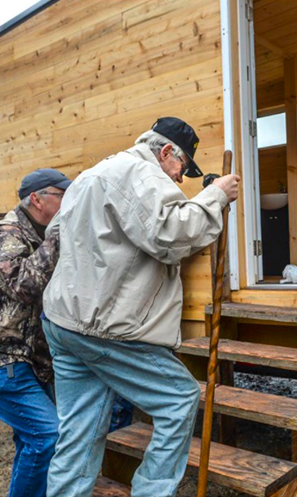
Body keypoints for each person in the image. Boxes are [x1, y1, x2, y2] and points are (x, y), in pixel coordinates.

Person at [42, 116, 240, 497]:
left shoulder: (90, 175)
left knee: (79, 431)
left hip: (64, 319)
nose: (180, 179)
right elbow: (172, 234)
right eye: (182, 167)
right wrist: (215, 194)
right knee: (178, 397)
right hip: (104, 327)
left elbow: (56, 236)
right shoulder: (141, 173)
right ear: (166, 152)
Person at [0, 169, 71, 497]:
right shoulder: (9, 233)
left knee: (32, 441)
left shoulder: (37, 231)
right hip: (6, 362)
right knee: (47, 436)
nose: (67, 201)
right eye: (61, 194)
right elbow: (23, 286)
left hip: (31, 360)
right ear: (37, 198)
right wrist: (58, 236)